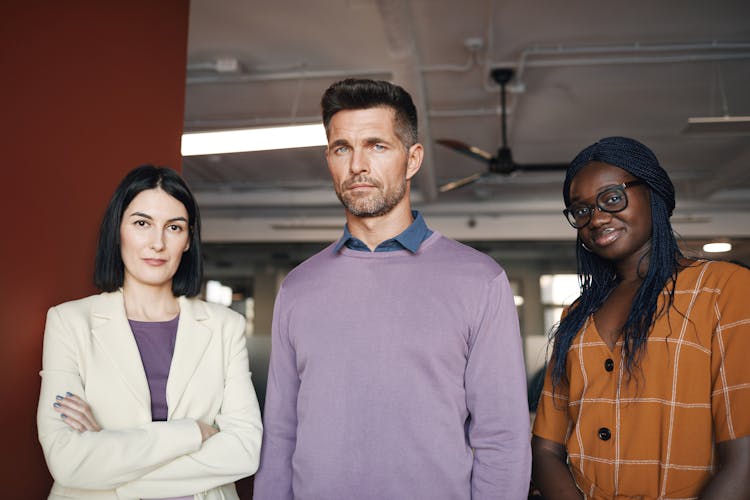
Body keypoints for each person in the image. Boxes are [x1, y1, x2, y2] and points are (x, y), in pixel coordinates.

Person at [252, 78, 531, 500]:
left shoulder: (480, 280)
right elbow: (280, 435)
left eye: (377, 146)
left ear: (413, 158)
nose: (357, 165)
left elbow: (503, 439)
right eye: (342, 148)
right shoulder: (298, 287)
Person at [531, 137, 750, 499]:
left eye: (612, 197)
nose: (597, 217)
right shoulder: (576, 315)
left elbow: (744, 458)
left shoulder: (725, 290)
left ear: (654, 193)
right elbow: (546, 450)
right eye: (581, 210)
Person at [37, 165, 263, 500]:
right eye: (142, 223)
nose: (157, 243)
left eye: (174, 227)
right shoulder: (69, 322)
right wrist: (193, 433)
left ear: (188, 241)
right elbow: (68, 461)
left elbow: (244, 450)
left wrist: (112, 456)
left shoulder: (223, 327)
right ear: (118, 230)